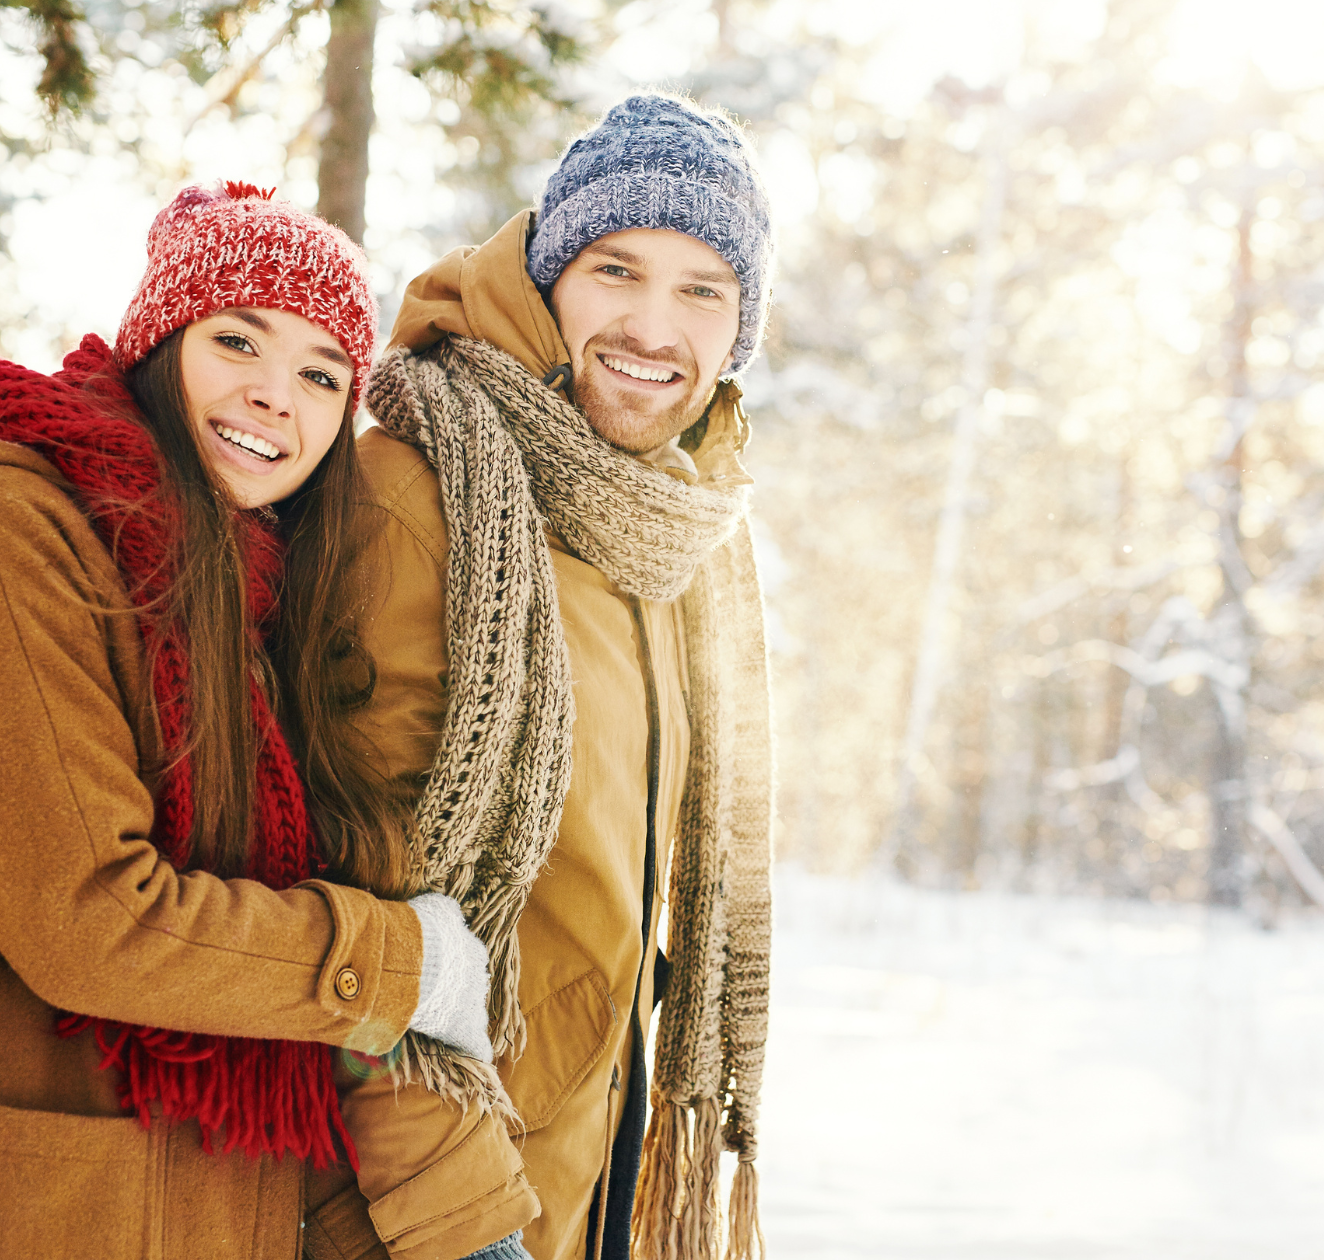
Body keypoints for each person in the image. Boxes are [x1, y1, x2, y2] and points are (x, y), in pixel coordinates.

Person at [0, 182, 495, 1260]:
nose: (272, 398)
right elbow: (93, 919)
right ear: (160, 346)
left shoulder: (251, 598)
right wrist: (399, 965)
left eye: (319, 374)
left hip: (164, 1210)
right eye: (236, 342)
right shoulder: (2, 534)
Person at [298, 95, 778, 1260]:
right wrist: (464, 1230)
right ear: (548, 274)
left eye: (701, 289)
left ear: (737, 330)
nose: (653, 327)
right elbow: (359, 898)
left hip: (584, 1173)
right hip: (426, 1212)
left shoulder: (672, 535)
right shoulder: (422, 494)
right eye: (617, 268)